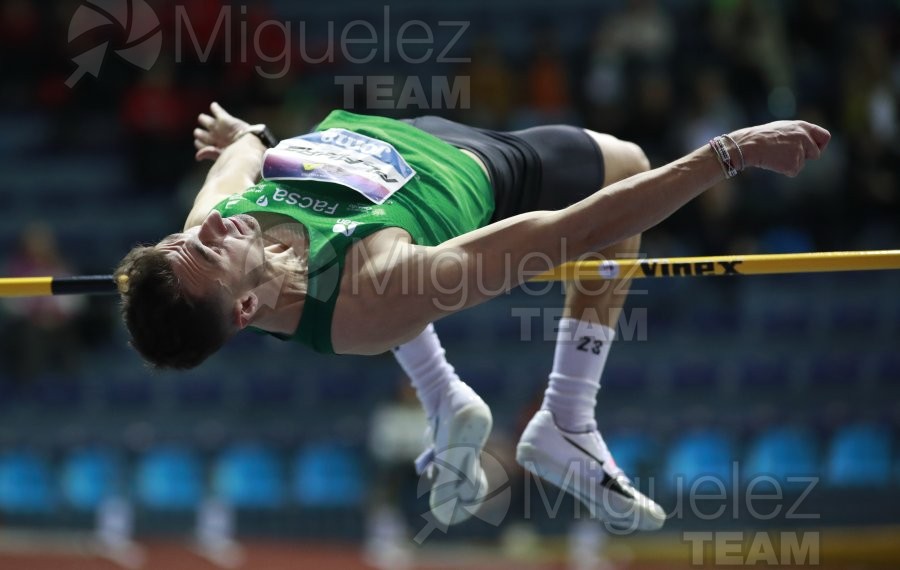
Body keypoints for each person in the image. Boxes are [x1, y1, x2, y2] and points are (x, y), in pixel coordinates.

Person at [115, 102, 829, 531]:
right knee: (629, 161)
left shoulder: (214, 225)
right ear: (241, 307)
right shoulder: (374, 289)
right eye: (203, 251)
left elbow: (241, 156)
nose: (208, 230)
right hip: (485, 166)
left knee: (362, 297)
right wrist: (725, 154)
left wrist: (248, 134)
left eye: (189, 234)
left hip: (387, 134)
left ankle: (445, 397)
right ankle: (567, 419)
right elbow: (571, 233)